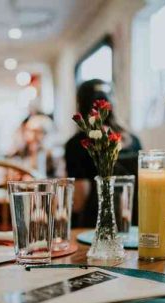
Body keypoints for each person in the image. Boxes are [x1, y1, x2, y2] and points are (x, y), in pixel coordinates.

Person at [65, 79, 142, 226]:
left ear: (80, 105)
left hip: (94, 227)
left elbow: (79, 203)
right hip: (133, 223)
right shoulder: (134, 141)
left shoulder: (77, 144)